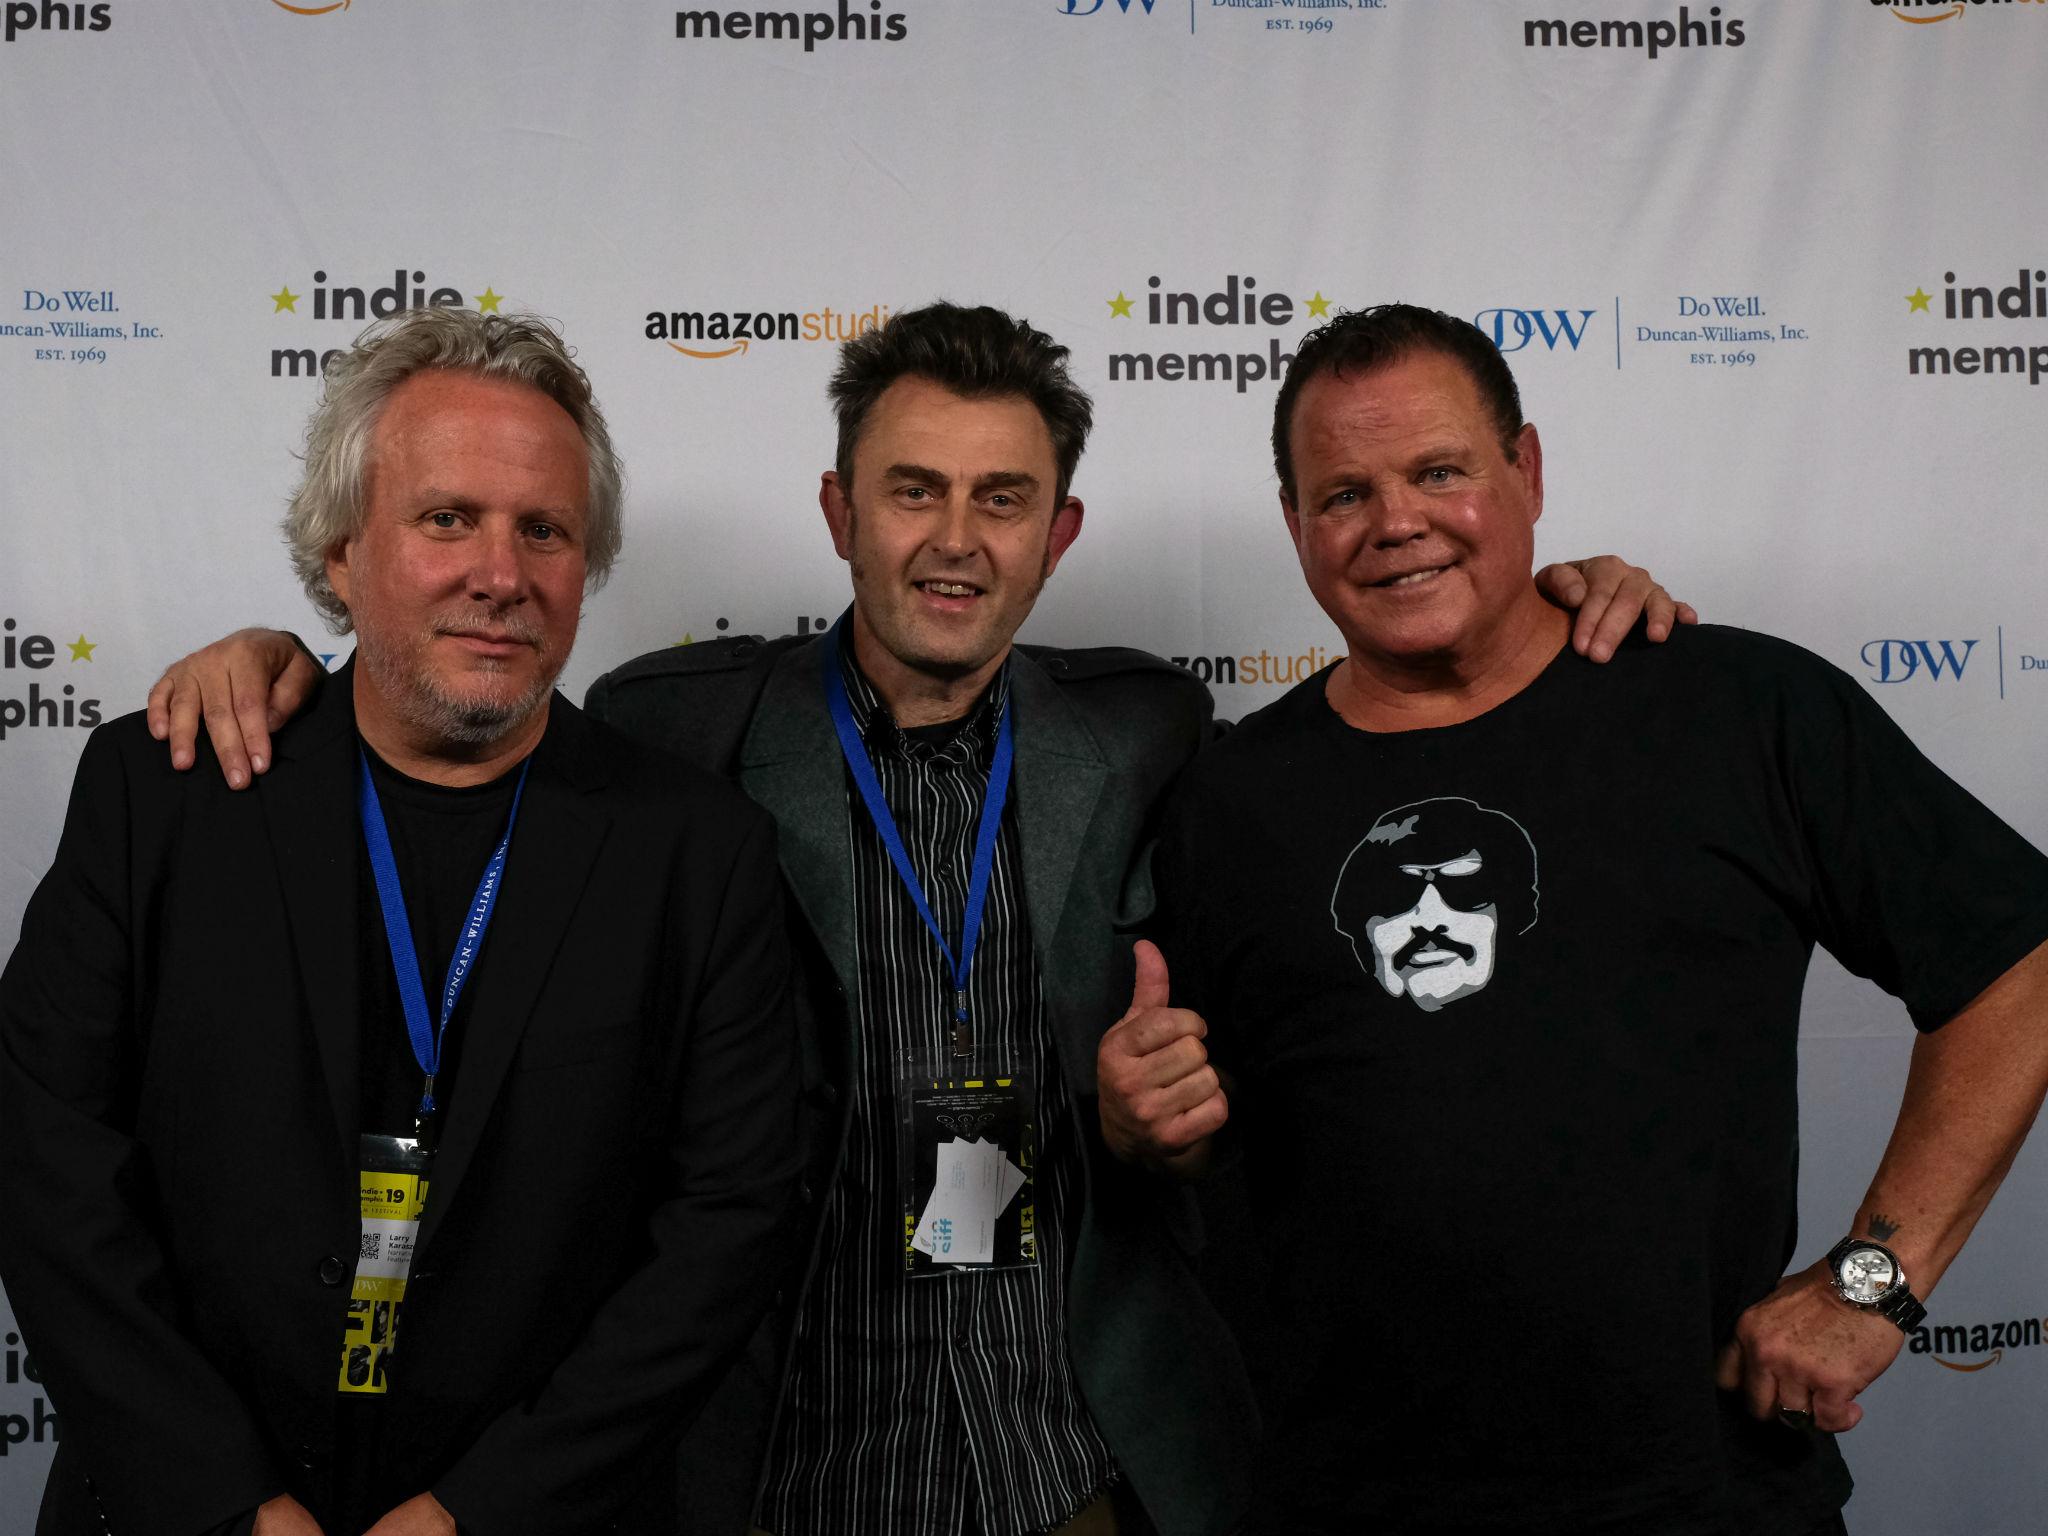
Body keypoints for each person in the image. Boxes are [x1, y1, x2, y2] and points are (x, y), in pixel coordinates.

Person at [142, 301, 1690, 1536]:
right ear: (838, 511)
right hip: (770, 1472)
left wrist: (1555, 600)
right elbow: (449, 716)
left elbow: (1393, 728)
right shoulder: (672, 736)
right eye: (915, 490)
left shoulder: (1146, 732)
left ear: (1060, 534)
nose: (958, 540)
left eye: (1005, 498)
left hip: (1076, 1469)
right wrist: (281, 648)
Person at [1097, 303, 2048, 1535]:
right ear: (1293, 524)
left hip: (1698, 1500)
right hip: (1335, 1502)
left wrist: (1874, 1285)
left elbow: (2014, 964)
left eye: (1438, 471)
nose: (1395, 523)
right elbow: (1217, 1140)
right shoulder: (1226, 797)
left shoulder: (1733, 709)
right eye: (1342, 494)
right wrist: (1148, 1129)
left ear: (1525, 471)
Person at [0, 308, 803, 1536]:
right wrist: (229, 1505)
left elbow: (724, 1230)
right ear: (338, 553)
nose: (500, 572)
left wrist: (479, 1513)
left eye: (543, 529)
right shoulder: (161, 795)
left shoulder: (696, 854)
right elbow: (45, 1168)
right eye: (447, 519)